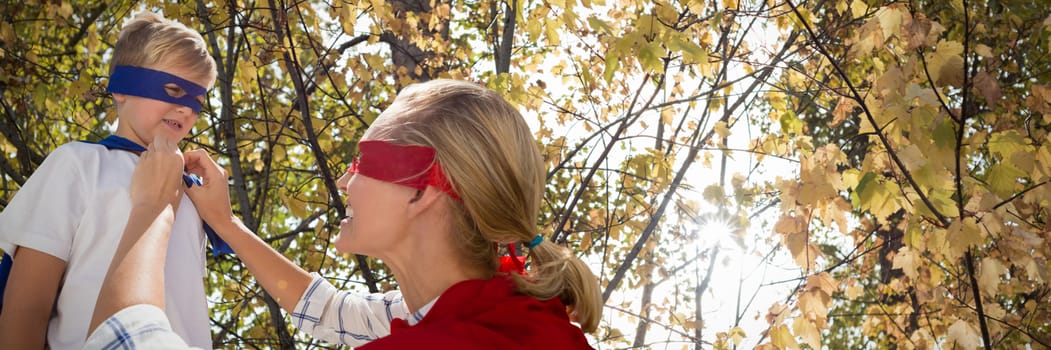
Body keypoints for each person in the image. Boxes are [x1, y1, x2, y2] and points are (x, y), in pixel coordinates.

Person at [84, 79, 602, 349]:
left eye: (363, 160)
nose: (345, 179)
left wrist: (152, 209)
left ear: (422, 189)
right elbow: (332, 312)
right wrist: (225, 224)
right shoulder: (493, 314)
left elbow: (123, 343)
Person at [0, 12, 217, 349]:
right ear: (121, 90)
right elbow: (26, 309)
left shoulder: (191, 195)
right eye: (173, 89)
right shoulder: (78, 163)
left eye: (198, 102)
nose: (187, 109)